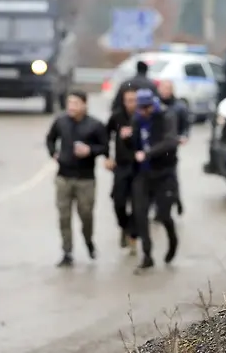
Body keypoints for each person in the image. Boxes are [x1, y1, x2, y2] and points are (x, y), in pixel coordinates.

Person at [46, 91, 109, 267]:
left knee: (86, 215)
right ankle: (67, 252)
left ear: (84, 105)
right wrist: (53, 153)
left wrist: (90, 151)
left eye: (75, 103)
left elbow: (105, 147)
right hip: (63, 177)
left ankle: (89, 241)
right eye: (69, 103)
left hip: (85, 179)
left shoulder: (95, 125)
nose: (71, 107)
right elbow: (50, 139)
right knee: (63, 216)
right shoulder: (61, 121)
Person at [131, 88, 179, 272]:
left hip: (164, 172)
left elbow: (170, 141)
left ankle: (173, 241)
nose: (143, 112)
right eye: (140, 108)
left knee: (164, 215)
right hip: (143, 174)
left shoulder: (166, 116)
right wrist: (127, 138)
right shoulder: (137, 119)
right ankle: (147, 255)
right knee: (141, 214)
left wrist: (148, 153)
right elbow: (133, 145)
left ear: (153, 105)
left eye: (146, 108)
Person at [105, 84, 139, 255]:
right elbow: (105, 135)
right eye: (128, 101)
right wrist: (107, 157)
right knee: (118, 201)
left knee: (138, 203)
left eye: (134, 100)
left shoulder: (144, 117)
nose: (131, 104)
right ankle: (124, 227)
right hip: (121, 165)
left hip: (140, 167)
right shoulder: (117, 117)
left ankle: (133, 234)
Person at [157, 79, 190, 216]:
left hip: (171, 148)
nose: (165, 91)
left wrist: (183, 136)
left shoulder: (179, 107)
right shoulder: (154, 105)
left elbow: (186, 126)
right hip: (156, 147)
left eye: (168, 89)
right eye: (163, 88)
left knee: (171, 178)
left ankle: (176, 200)